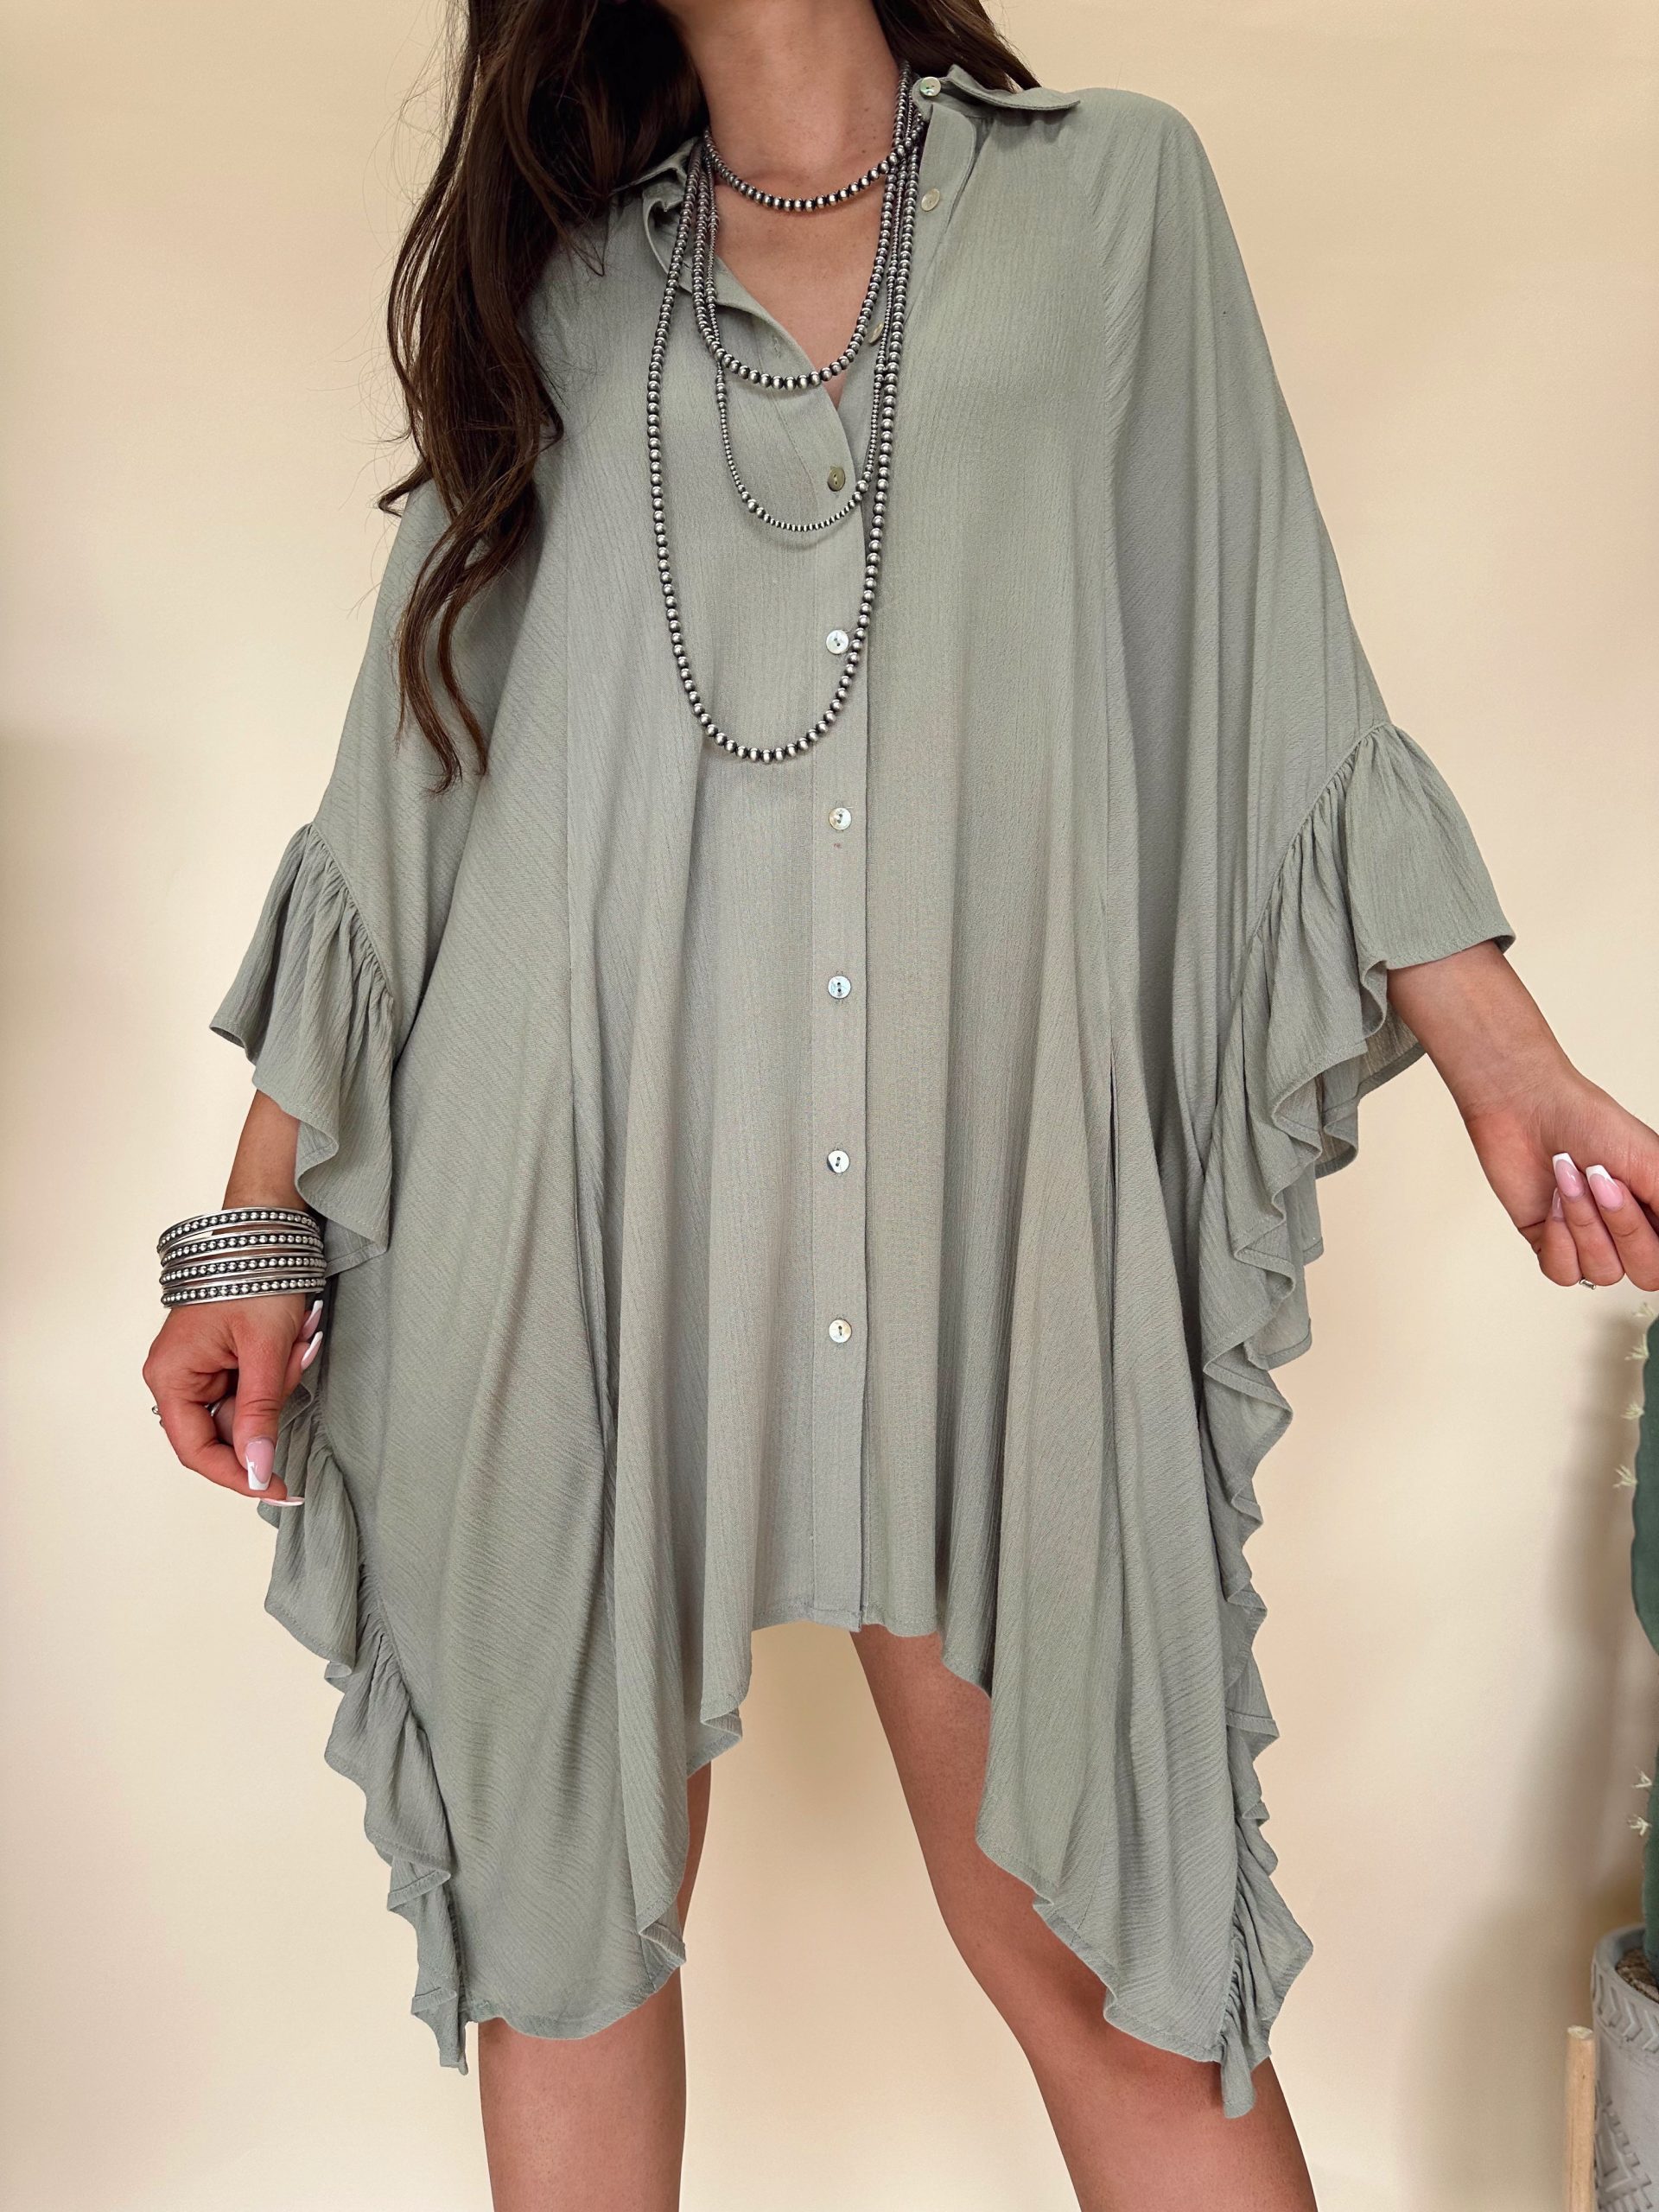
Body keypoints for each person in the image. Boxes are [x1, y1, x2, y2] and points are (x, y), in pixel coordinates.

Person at [142, 3, 1659, 2205]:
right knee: (563, 1945)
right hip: (581, 1197)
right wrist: (256, 1225)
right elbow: (411, 778)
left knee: (1109, 1956)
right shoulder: (571, 279)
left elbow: (1281, 667)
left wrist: (1501, 1052)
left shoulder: (1114, 193)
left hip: (985, 1204)